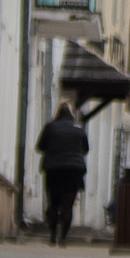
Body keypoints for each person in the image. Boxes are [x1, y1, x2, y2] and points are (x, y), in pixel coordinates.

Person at [36, 102, 89, 246]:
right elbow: (85, 149)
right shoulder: (79, 129)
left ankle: (52, 235)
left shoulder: (51, 127)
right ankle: (64, 238)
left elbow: (40, 146)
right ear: (72, 114)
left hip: (54, 170)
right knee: (68, 205)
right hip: (74, 171)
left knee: (53, 203)